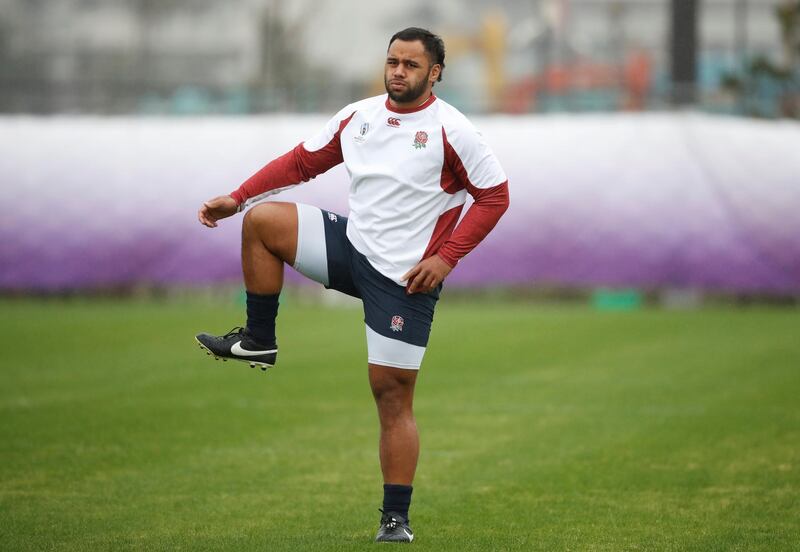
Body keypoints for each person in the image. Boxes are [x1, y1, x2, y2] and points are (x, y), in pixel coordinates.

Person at [195, 27, 509, 543]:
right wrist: (237, 196)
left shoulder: (455, 130)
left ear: (435, 74)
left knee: (390, 396)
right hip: (351, 248)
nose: (398, 72)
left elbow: (495, 197)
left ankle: (395, 518)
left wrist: (446, 259)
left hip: (405, 279)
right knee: (260, 222)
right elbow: (301, 162)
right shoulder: (359, 116)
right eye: (392, 61)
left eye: (411, 65)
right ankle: (258, 339)